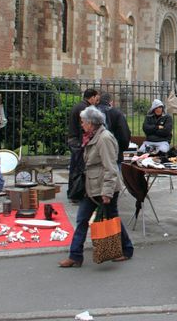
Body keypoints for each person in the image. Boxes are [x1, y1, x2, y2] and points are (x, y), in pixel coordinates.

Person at [59, 106, 133, 268]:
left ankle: (127, 249)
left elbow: (111, 167)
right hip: (91, 186)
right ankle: (75, 256)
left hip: (104, 187)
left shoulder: (104, 138)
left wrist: (107, 192)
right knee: (82, 219)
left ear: (92, 123)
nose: (82, 125)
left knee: (112, 218)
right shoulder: (91, 137)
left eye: (84, 122)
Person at [67, 88, 99, 200]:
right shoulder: (85, 108)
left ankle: (72, 192)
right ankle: (76, 194)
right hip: (78, 141)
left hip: (73, 139)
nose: (96, 101)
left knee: (74, 168)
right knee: (79, 169)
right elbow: (84, 128)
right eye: (96, 98)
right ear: (92, 97)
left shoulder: (78, 106)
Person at [96, 92, 131, 166]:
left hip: (96, 152)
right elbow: (124, 134)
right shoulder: (117, 113)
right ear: (111, 102)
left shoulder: (92, 112)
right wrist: (123, 147)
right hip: (114, 151)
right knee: (114, 174)